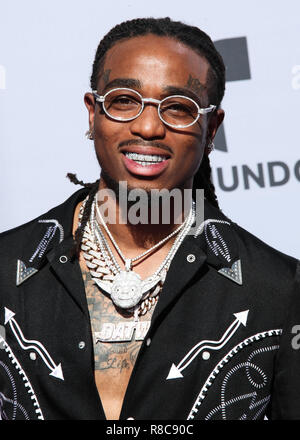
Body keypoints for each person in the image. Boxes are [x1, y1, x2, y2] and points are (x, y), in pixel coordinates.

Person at [0, 17, 299, 421]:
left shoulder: (278, 289)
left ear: (212, 129)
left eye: (178, 108)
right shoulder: (6, 267)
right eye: (124, 100)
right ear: (93, 114)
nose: (147, 126)